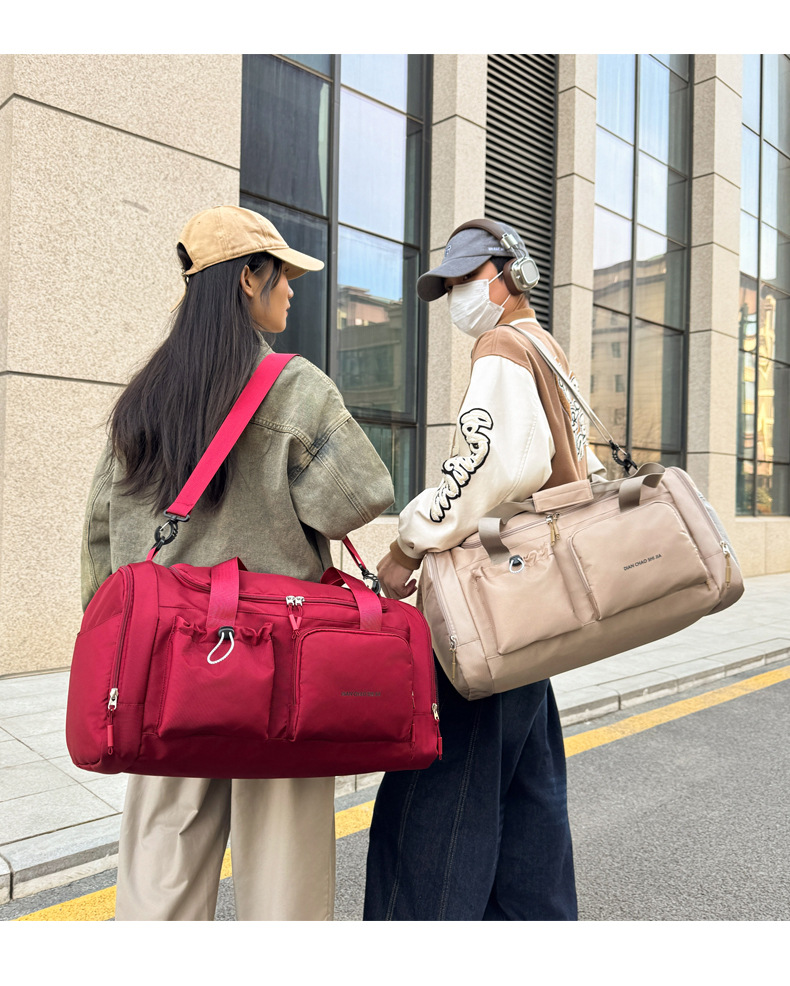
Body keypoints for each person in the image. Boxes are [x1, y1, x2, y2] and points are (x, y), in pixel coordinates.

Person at [80, 205, 394, 921]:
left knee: (160, 879)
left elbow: (101, 536)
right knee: (284, 889)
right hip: (281, 662)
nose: (292, 290)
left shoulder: (144, 395)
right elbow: (361, 497)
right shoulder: (294, 386)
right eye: (283, 275)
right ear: (249, 278)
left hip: (166, 664)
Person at [364, 218, 602, 921]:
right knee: (528, 792)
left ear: (509, 274)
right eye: (449, 287)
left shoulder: (503, 348)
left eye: (467, 279)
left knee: (440, 793)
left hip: (493, 601)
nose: (457, 298)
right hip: (536, 602)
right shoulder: (547, 349)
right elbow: (580, 471)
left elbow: (479, 469)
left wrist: (407, 547)